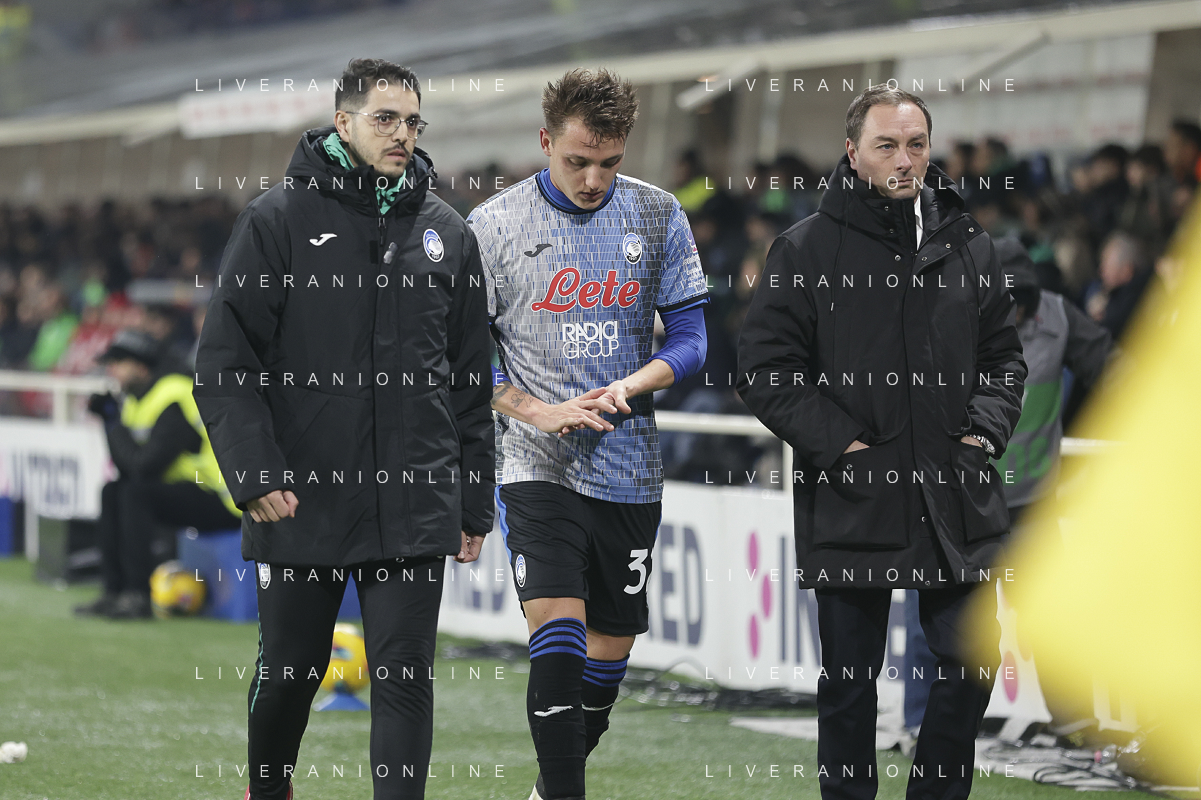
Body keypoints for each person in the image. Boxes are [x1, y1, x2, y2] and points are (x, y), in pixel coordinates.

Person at [193, 58, 494, 800]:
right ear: (343, 122)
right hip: (303, 495)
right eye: (384, 118)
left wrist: (472, 499)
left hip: (414, 499)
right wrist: (254, 472)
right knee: (289, 675)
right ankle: (268, 790)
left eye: (412, 121)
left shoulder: (448, 233)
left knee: (404, 680)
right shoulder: (276, 220)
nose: (401, 134)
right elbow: (225, 361)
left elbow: (468, 381)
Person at [737, 84, 1027, 800]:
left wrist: (980, 436)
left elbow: (1003, 359)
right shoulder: (805, 248)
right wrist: (843, 447)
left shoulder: (968, 243)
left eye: (916, 145)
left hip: (954, 490)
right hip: (852, 495)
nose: (904, 159)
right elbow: (765, 371)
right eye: (887, 145)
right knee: (848, 683)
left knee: (972, 662)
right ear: (852, 151)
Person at [468, 68, 708, 800]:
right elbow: (459, 356)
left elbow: (693, 341)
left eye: (609, 162)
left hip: (628, 465)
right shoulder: (494, 225)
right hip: (535, 461)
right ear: (546, 142)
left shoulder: (657, 213)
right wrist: (535, 411)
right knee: (559, 635)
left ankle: (549, 789)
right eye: (577, 161)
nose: (593, 179)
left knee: (607, 656)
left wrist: (632, 385)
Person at [902, 237, 1112, 745]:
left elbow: (1113, 368)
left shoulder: (1058, 317)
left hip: (1030, 506)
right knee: (942, 622)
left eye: (1020, 303)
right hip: (956, 504)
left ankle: (1075, 725)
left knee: (1052, 618)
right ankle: (921, 724)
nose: (1013, 315)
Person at [74, 328, 241, 620]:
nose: (111, 370)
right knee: (112, 490)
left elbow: (144, 467)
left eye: (118, 362)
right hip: (188, 489)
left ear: (141, 366)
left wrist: (113, 422)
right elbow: (127, 467)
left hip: (222, 498)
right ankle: (114, 592)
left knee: (134, 494)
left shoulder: (174, 393)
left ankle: (138, 595)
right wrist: (110, 422)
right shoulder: (137, 398)